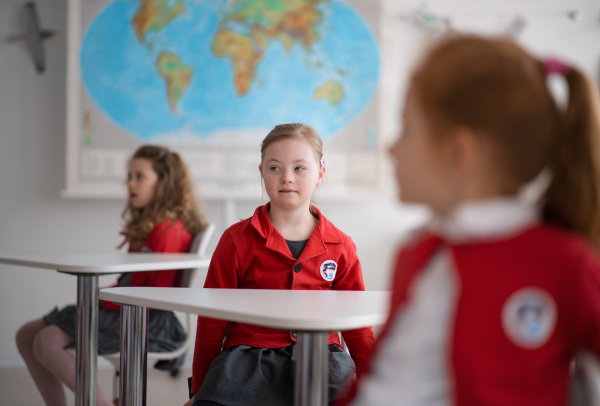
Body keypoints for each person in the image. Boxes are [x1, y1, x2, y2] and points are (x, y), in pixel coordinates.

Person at [337, 35, 600, 406]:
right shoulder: (417, 251)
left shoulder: (565, 263)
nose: (391, 147)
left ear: (459, 154)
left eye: (407, 127)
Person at [186, 123, 375, 406]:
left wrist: (375, 382)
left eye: (299, 168)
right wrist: (198, 389)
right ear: (261, 171)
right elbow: (211, 321)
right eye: (275, 168)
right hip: (246, 361)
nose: (286, 178)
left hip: (323, 360)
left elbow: (357, 325)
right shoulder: (235, 240)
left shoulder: (341, 245)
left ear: (320, 173)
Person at [16, 145, 208, 406]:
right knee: (26, 334)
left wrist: (98, 298)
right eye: (129, 176)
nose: (130, 184)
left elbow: (152, 297)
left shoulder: (168, 231)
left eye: (140, 176)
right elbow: (132, 283)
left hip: (144, 320)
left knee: (45, 342)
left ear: (164, 183)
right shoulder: (151, 226)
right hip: (126, 308)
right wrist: (100, 297)